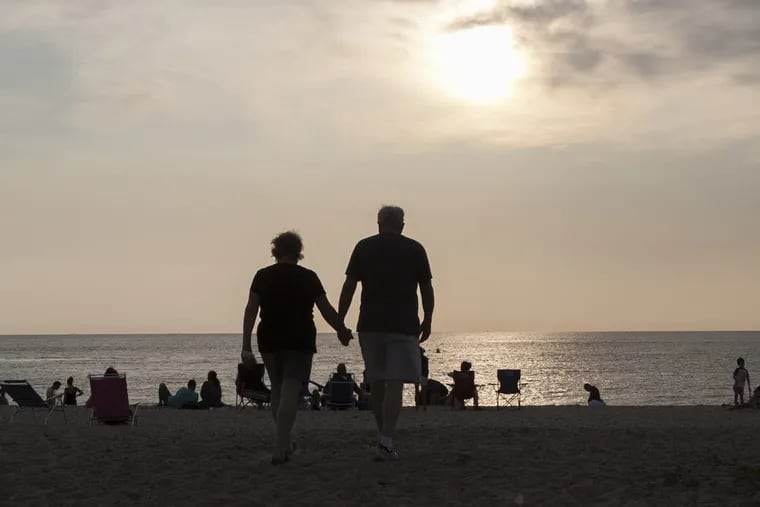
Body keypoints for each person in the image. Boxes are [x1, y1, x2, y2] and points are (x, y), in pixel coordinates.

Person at [241, 231, 352, 465]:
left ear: (276, 251)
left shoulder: (262, 276)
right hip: (299, 337)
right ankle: (279, 447)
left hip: (269, 336)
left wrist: (246, 345)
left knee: (278, 389)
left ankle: (286, 440)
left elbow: (251, 309)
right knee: (290, 389)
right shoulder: (309, 277)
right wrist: (341, 329)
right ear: (298, 252)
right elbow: (325, 309)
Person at [338, 205, 434, 460]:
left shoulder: (364, 247)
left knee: (378, 385)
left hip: (370, 325)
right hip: (403, 326)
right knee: (395, 385)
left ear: (378, 223)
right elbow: (426, 287)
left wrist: (340, 320)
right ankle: (386, 440)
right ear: (402, 225)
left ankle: (384, 438)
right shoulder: (415, 249)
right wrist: (428, 317)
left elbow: (349, 286)